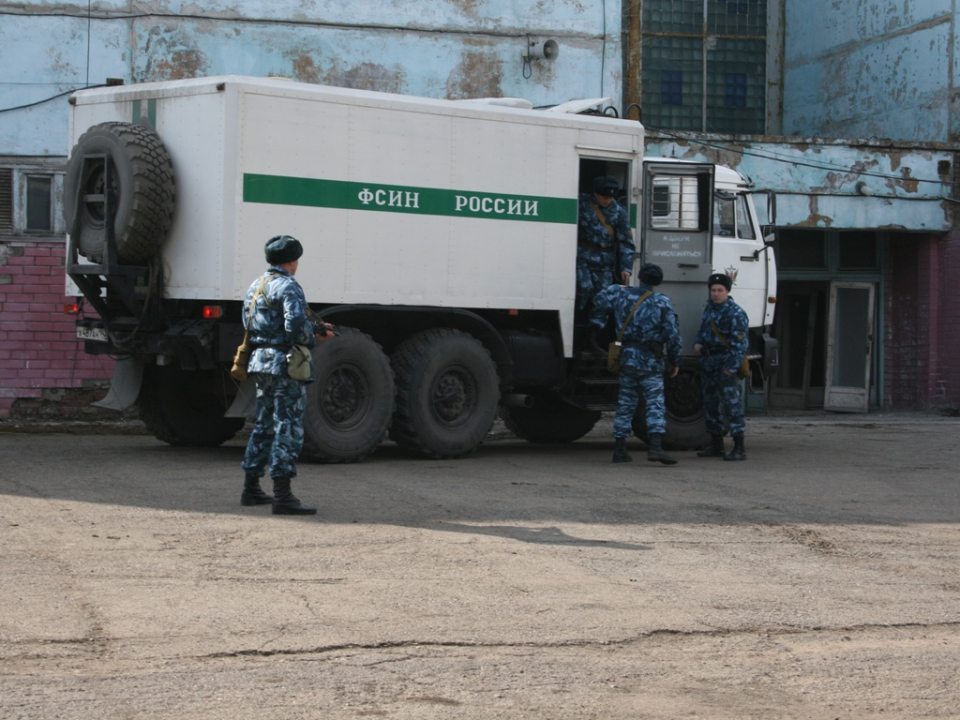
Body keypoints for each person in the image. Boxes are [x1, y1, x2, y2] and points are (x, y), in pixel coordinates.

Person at [240, 235, 336, 514]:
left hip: (260, 361)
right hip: (285, 363)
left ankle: (251, 488)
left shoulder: (256, 286)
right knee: (288, 426)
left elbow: (249, 322)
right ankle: (282, 496)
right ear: (293, 260)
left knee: (263, 424)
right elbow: (294, 326)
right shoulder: (288, 286)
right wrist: (317, 334)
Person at [591, 263, 682, 465]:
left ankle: (620, 449)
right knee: (655, 403)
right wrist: (675, 361)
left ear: (639, 277)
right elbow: (673, 336)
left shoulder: (620, 295)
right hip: (650, 360)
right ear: (658, 282)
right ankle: (656, 447)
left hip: (627, 356)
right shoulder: (662, 302)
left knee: (625, 402)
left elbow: (598, 300)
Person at [693, 273, 749, 461]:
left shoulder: (735, 313)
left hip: (725, 363)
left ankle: (739, 447)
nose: (716, 294)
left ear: (727, 291)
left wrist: (730, 368)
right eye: (713, 290)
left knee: (731, 405)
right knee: (710, 404)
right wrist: (698, 344)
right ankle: (717, 445)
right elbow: (702, 331)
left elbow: (740, 344)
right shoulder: (710, 309)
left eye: (720, 290)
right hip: (709, 363)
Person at [576, 175, 636, 315]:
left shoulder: (619, 212)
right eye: (604, 197)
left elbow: (625, 241)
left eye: (610, 198)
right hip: (582, 257)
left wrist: (626, 267)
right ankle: (578, 317)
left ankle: (595, 329)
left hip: (604, 263)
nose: (607, 201)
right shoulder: (581, 203)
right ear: (595, 194)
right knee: (584, 288)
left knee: (602, 299)